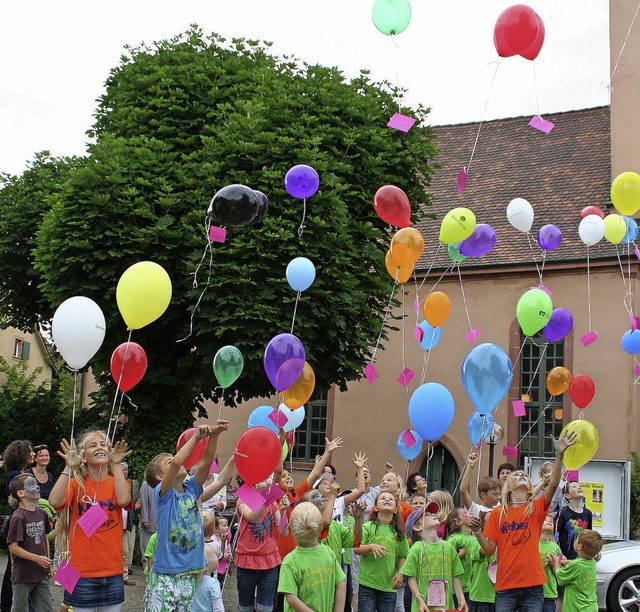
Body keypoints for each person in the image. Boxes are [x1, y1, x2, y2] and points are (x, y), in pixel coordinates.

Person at [470, 432, 576, 612]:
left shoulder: (535, 508)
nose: (521, 476)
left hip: (532, 585)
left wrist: (559, 456)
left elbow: (554, 483)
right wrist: (478, 531)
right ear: (508, 486)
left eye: (525, 476)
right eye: (516, 475)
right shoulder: (498, 513)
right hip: (505, 584)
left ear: (529, 489)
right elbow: (488, 550)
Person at [143, 421, 230, 612]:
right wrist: (197, 437)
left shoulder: (191, 489)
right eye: (169, 462)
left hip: (189, 573)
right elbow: (176, 462)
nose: (178, 461)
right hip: (166, 574)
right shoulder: (163, 494)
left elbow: (206, 463)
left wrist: (214, 435)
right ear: (160, 477)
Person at [49, 431, 132, 612]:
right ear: (83, 456)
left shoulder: (117, 482)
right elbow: (54, 502)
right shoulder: (76, 483)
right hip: (81, 573)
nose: (100, 447)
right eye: (93, 445)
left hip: (113, 571)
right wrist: (68, 469)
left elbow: (124, 500)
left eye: (103, 444)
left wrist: (116, 464)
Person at [235, 473, 289, 612]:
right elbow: (252, 517)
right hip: (247, 560)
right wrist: (263, 494)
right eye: (263, 478)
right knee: (245, 608)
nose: (267, 481)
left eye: (267, 477)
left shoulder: (272, 501)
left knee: (265, 608)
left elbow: (283, 532)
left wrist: (283, 512)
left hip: (269, 560)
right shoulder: (244, 497)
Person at [277, 502, 347, 612]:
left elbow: (291, 598)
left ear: (290, 529)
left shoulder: (290, 561)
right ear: (320, 528)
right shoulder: (328, 552)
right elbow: (341, 583)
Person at [401, 500, 468, 612]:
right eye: (426, 515)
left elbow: (455, 576)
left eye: (432, 513)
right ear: (417, 528)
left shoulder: (449, 547)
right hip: (423, 608)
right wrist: (420, 601)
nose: (432, 514)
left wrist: (461, 598)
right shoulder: (417, 548)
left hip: (446, 607)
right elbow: (411, 578)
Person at [354, 491, 409, 612]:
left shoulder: (400, 533)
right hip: (367, 584)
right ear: (376, 508)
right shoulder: (367, 527)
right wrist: (371, 547)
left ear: (395, 509)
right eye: (383, 498)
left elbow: (402, 556)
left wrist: (400, 573)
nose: (387, 500)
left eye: (391, 499)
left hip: (388, 586)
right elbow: (357, 549)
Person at [6, 473, 54, 612]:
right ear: (20, 493)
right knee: (20, 608)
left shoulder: (42, 513)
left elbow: (44, 537)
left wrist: (47, 562)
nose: (37, 487)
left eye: (36, 484)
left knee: (46, 608)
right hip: (23, 574)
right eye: (31, 484)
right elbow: (13, 547)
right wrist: (37, 558)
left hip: (41, 572)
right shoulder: (18, 517)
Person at [1, 440, 35, 612]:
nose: (33, 454)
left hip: (24, 517)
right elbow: (13, 500)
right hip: (18, 519)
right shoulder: (14, 474)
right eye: (30, 451)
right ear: (22, 453)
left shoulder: (23, 472)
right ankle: (8, 604)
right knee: (14, 563)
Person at [549, 529, 603, 612]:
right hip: (590, 607)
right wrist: (564, 562)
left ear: (579, 546)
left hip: (576, 608)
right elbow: (578, 563)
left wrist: (556, 562)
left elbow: (560, 577)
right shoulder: (591, 561)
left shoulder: (575, 566)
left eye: (576, 540)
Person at [444, 508, 476, 609]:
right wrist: (459, 555)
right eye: (465, 513)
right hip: (458, 590)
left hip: (471, 587)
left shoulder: (475, 537)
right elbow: (444, 559)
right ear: (458, 522)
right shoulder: (455, 539)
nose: (469, 513)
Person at [556, 482, 592, 560]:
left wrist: (594, 552)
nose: (579, 488)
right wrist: (559, 554)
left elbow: (590, 536)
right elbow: (554, 535)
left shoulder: (588, 513)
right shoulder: (563, 512)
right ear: (567, 495)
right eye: (574, 487)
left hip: (582, 557)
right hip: (566, 557)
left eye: (580, 486)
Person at [460, 452, 501, 517]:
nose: (498, 497)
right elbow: (463, 490)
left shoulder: (499, 506)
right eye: (495, 494)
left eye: (499, 494)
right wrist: (470, 466)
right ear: (483, 494)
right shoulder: (475, 509)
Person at [121, 461, 141, 586]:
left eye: (125, 470)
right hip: (115, 523)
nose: (123, 472)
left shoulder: (132, 484)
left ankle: (124, 573)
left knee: (127, 548)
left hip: (127, 521)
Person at [192, 541, 224, 612]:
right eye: (214, 556)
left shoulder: (191, 581)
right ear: (206, 565)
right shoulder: (213, 583)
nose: (217, 557)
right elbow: (218, 608)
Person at [538, 514, 562, 612]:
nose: (549, 522)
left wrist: (553, 564)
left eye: (551, 522)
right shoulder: (533, 543)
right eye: (545, 520)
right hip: (533, 592)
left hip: (550, 592)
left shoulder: (555, 547)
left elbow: (561, 566)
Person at [139, 478, 157, 563]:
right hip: (149, 521)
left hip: (159, 522)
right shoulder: (145, 485)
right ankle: (146, 565)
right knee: (146, 544)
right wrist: (145, 520)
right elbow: (144, 503)